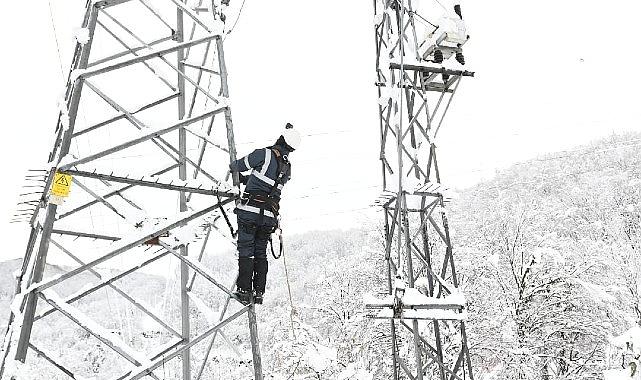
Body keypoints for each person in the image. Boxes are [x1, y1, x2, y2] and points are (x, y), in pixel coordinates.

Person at [229, 123, 301, 305]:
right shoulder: (287, 167)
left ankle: (244, 291)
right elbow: (266, 184)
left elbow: (238, 165)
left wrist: (235, 172)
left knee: (246, 249)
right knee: (260, 253)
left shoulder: (264, 154)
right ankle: (258, 292)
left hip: (250, 211)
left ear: (281, 138)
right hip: (269, 215)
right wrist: (247, 180)